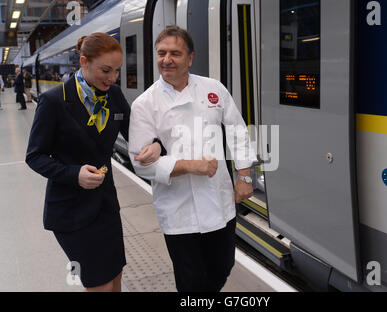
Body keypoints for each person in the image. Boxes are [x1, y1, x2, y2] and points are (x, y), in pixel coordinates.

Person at [25, 32, 162, 292]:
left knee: (116, 277)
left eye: (117, 71)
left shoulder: (114, 96)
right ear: (84, 62)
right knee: (99, 284)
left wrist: (155, 144)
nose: (112, 78)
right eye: (106, 70)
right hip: (71, 212)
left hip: (106, 206)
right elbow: (35, 156)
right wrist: (74, 174)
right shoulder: (54, 101)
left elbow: (137, 135)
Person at [128, 26, 256, 292]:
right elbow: (140, 163)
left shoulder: (213, 89)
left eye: (175, 53)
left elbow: (237, 130)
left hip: (219, 200)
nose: (167, 59)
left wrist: (244, 176)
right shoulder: (145, 103)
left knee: (223, 266)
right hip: (179, 209)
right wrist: (191, 166)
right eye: (161, 53)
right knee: (191, 281)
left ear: (190, 58)